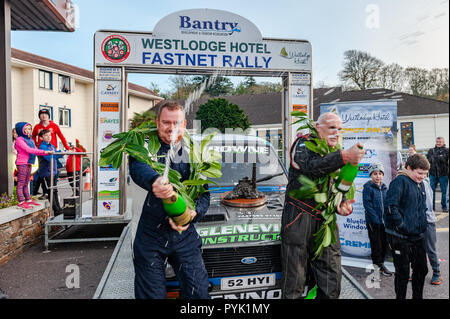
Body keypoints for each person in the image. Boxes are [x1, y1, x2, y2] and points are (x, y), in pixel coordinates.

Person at [129, 101, 210, 299]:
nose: (171, 128)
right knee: (151, 296)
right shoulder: (144, 146)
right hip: (150, 235)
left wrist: (194, 212)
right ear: (157, 123)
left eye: (176, 123)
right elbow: (138, 167)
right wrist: (155, 180)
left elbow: (205, 194)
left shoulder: (195, 153)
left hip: (184, 234)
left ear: (184, 124)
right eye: (166, 122)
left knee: (198, 293)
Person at [281, 112, 365, 299]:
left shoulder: (335, 151)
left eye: (340, 129)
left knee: (331, 278)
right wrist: (343, 156)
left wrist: (341, 204)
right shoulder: (302, 143)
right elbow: (311, 167)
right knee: (295, 280)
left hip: (325, 219)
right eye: (332, 128)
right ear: (318, 127)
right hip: (298, 218)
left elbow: (338, 185)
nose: (336, 133)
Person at [385, 154, 429, 299]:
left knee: (421, 270)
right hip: (400, 238)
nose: (422, 176)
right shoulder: (399, 182)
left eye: (425, 174)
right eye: (420, 173)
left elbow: (421, 207)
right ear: (409, 168)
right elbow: (391, 207)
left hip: (418, 236)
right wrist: (402, 226)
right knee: (403, 273)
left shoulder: (420, 183)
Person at [362, 163, 392, 277]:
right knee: (376, 245)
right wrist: (376, 220)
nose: (377, 176)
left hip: (384, 222)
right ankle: (377, 266)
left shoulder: (385, 187)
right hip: (373, 223)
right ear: (371, 175)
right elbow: (367, 205)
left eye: (380, 174)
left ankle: (381, 264)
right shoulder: (368, 187)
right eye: (375, 174)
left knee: (384, 244)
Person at [14, 122, 52, 210]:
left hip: (29, 163)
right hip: (22, 163)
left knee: (26, 183)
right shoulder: (20, 140)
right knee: (21, 183)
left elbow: (35, 149)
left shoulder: (30, 139)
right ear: (21, 130)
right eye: (26, 129)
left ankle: (28, 200)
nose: (28, 131)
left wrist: (45, 152)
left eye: (29, 129)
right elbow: (29, 150)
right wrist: (44, 152)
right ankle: (21, 202)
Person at [38, 129, 64, 215]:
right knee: (50, 191)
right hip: (46, 172)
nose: (49, 137)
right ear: (41, 137)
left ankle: (59, 208)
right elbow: (49, 158)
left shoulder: (52, 146)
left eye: (50, 135)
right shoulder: (42, 147)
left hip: (53, 172)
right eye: (46, 135)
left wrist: (60, 153)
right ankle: (56, 209)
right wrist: (59, 153)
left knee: (55, 190)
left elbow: (55, 155)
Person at [423, 177, 442, 285]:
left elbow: (428, 205)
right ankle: (417, 270)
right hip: (414, 222)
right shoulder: (407, 181)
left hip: (427, 221)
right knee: (416, 249)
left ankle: (436, 272)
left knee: (431, 249)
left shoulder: (424, 184)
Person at [426, 137, 449, 212]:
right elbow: (428, 160)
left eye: (440, 142)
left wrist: (437, 157)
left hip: (444, 174)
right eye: (437, 141)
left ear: (443, 142)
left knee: (444, 191)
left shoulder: (447, 151)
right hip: (433, 174)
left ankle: (444, 206)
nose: (438, 143)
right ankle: (432, 207)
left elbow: (444, 160)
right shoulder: (431, 150)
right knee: (431, 191)